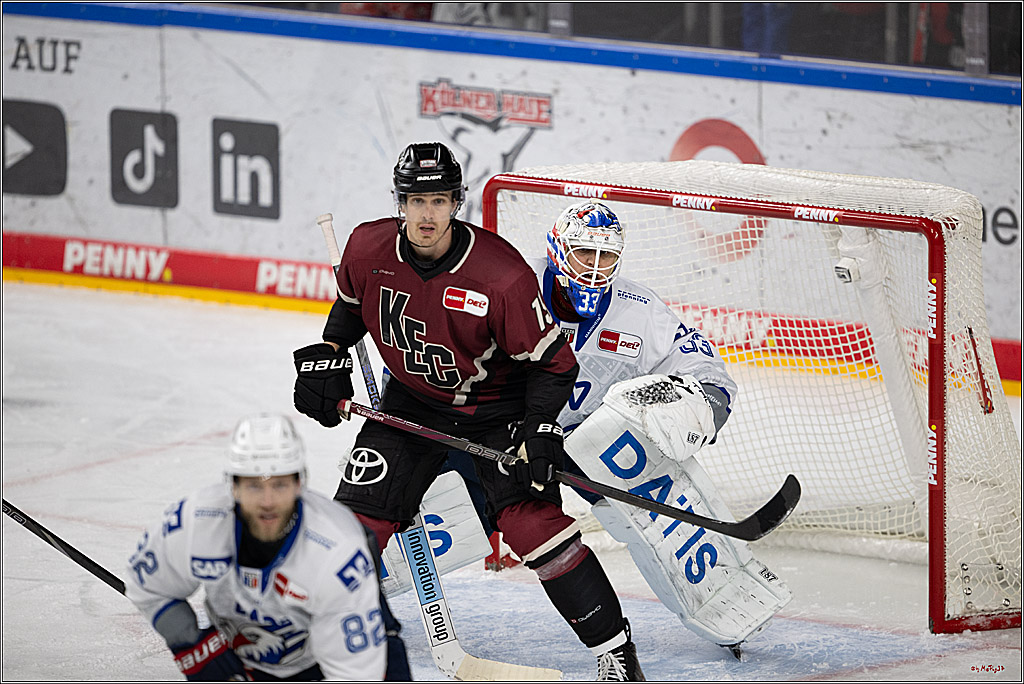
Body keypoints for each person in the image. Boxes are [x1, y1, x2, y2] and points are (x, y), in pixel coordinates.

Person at [292, 142, 645, 681]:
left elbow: (553, 365)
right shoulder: (366, 247)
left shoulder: (499, 273)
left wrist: (541, 429)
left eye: (438, 200)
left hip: (496, 412)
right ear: (399, 202)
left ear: (457, 202)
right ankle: (317, 642)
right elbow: (351, 304)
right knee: (352, 528)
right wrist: (331, 353)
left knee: (536, 528)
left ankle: (616, 653)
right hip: (409, 406)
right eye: (416, 200)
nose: (427, 214)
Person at [445, 200, 792, 654]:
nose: (594, 267)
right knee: (440, 506)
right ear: (557, 252)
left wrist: (702, 407)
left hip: (591, 439)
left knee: (653, 509)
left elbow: (707, 371)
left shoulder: (638, 310)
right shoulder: (513, 287)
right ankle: (368, 575)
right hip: (506, 436)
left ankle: (721, 600)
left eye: (605, 255)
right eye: (583, 253)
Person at [125, 413, 407, 681]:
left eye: (280, 485)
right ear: (233, 486)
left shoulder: (337, 550)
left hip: (337, 659)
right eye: (254, 486)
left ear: (299, 484)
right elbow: (149, 588)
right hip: (244, 656)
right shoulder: (193, 522)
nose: (268, 502)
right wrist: (192, 645)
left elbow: (355, 674)